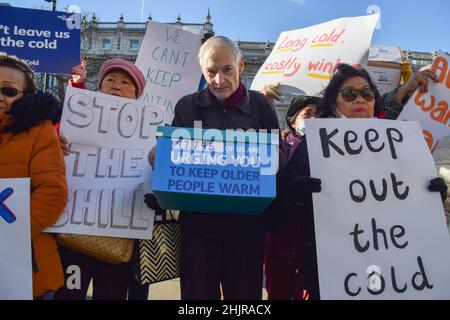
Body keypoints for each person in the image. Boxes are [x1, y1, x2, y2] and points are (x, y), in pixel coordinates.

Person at [276, 63, 447, 299]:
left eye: (367, 93)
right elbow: (281, 210)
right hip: (331, 272)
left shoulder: (401, 142)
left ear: (374, 101)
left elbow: (407, 204)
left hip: (391, 272)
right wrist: (296, 195)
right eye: (349, 94)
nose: (360, 99)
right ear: (334, 103)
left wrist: (431, 196)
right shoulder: (314, 146)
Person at [148, 35, 282, 299]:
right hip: (198, 232)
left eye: (226, 70)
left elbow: (280, 159)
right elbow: (174, 159)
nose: (219, 80)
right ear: (202, 71)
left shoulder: (261, 105)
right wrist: (161, 156)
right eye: (211, 72)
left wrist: (273, 158)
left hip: (246, 232)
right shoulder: (187, 106)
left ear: (240, 66)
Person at [55, 58, 149, 300]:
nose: (117, 86)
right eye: (110, 80)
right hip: (72, 235)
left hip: (118, 238)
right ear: (100, 86)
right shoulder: (70, 122)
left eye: (126, 82)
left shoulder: (150, 131)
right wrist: (54, 141)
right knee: (68, 294)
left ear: (137, 95)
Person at [0, 52, 68, 299]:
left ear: (25, 96)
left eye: (8, 91)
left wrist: (7, 234)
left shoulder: (40, 130)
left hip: (27, 267)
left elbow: (52, 193)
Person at [263, 95, 320, 300]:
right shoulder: (280, 151)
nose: (314, 119)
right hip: (280, 246)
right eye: (308, 114)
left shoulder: (328, 152)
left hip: (312, 250)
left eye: (319, 115)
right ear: (293, 121)